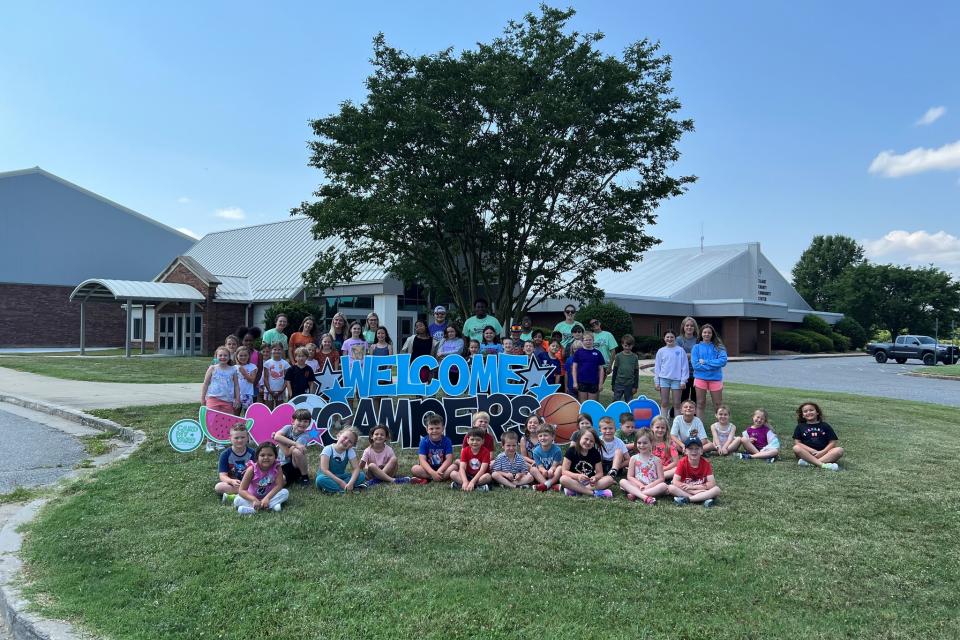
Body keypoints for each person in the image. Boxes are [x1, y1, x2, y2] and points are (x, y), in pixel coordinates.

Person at [559, 427, 615, 498]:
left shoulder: (595, 453)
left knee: (609, 479)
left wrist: (595, 477)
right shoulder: (571, 451)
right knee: (563, 479)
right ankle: (594, 493)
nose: (588, 442)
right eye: (586, 439)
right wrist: (577, 476)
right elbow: (564, 471)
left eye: (591, 441)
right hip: (574, 480)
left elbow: (600, 473)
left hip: (589, 483)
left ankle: (575, 491)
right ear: (579, 438)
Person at [235, 442, 288, 515]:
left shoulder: (277, 467)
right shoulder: (251, 469)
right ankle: (271, 506)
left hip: (270, 496)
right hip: (252, 498)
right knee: (237, 500)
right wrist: (254, 499)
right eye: (262, 455)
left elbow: (279, 485)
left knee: (285, 492)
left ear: (275, 457)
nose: (266, 457)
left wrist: (267, 498)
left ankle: (253, 509)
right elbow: (242, 490)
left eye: (270, 455)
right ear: (257, 457)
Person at [619, 428, 668, 504]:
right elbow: (630, 476)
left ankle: (635, 494)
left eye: (645, 443)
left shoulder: (657, 460)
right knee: (622, 482)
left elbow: (661, 478)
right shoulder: (633, 458)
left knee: (664, 486)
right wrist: (640, 485)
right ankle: (645, 497)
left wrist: (649, 486)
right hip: (637, 485)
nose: (642, 445)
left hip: (652, 486)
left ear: (652, 443)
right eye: (639, 443)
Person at [668, 437, 721, 506]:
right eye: (690, 448)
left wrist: (693, 487)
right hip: (690, 490)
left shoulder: (706, 463)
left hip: (697, 488)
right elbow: (675, 481)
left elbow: (712, 484)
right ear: (685, 451)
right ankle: (702, 498)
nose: (694, 451)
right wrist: (694, 491)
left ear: (701, 451)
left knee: (717, 490)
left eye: (697, 448)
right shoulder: (682, 462)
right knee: (671, 488)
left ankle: (688, 499)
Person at [793, 402, 844, 470]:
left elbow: (833, 442)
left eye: (811, 410)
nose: (808, 412)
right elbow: (798, 443)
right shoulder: (800, 427)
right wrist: (813, 451)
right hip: (806, 453)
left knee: (839, 450)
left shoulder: (825, 426)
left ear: (817, 412)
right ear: (803, 415)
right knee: (796, 448)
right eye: (805, 411)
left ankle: (810, 463)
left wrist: (822, 452)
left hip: (824, 453)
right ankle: (822, 465)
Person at [691, 323, 728, 419]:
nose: (707, 334)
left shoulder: (719, 347)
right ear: (701, 334)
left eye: (709, 333)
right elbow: (696, 365)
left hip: (715, 379)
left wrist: (705, 362)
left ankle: (720, 426)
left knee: (717, 404)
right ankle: (700, 427)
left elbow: (723, 361)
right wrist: (713, 365)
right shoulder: (696, 347)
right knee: (700, 403)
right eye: (704, 332)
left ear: (712, 334)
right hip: (700, 378)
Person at [316, 427, 366, 492]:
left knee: (361, 475)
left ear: (351, 445)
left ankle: (338, 488)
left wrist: (351, 482)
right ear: (338, 436)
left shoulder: (350, 451)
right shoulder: (328, 449)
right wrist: (341, 482)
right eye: (345, 437)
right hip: (327, 476)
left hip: (341, 476)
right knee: (320, 479)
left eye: (350, 441)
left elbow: (356, 468)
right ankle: (345, 490)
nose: (346, 441)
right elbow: (325, 470)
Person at [214, 424, 255, 502]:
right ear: (230, 439)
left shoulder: (252, 453)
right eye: (236, 438)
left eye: (243, 437)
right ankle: (246, 494)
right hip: (234, 484)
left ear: (248, 438)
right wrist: (231, 481)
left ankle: (235, 496)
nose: (240, 440)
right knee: (218, 487)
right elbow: (222, 476)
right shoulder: (225, 454)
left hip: (249, 482)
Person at [654, 330, 690, 418]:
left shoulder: (680, 350)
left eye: (671, 337)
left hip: (677, 381)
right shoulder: (661, 351)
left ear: (675, 338)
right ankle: (663, 422)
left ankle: (676, 425)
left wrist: (683, 381)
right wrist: (657, 382)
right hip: (664, 380)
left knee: (677, 404)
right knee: (664, 403)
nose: (669, 339)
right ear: (664, 338)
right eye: (667, 337)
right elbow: (657, 367)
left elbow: (685, 367)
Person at [411, 414, 455, 484]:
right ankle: (437, 477)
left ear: (443, 428)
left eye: (437, 428)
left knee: (454, 467)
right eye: (431, 428)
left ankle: (432, 478)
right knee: (415, 469)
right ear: (427, 429)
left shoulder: (447, 441)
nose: (434, 431)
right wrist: (432, 473)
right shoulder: (424, 441)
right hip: (428, 469)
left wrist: (439, 470)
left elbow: (449, 459)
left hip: (443, 469)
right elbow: (422, 460)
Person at [273, 408, 313, 486]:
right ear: (293, 421)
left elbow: (287, 453)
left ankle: (304, 477)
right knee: (272, 480)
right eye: (300, 420)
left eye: (305, 421)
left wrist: (279, 441)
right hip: (280, 463)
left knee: (297, 451)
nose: (302, 423)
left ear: (309, 424)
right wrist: (296, 444)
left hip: (293, 465)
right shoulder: (288, 428)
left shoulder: (305, 436)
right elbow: (277, 436)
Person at [201, 346, 240, 420]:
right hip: (213, 399)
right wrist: (203, 398)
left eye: (225, 355)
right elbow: (205, 384)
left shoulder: (233, 369)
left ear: (229, 357)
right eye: (220, 355)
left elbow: (236, 386)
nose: (223, 357)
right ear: (216, 356)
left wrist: (237, 399)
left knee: (227, 421)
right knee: (211, 421)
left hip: (227, 401)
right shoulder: (212, 368)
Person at [450, 428, 492, 492]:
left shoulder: (486, 452)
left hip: (480, 476)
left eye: (478, 440)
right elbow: (462, 468)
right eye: (472, 439)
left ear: (483, 441)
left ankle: (463, 486)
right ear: (467, 440)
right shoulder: (465, 450)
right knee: (453, 474)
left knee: (488, 477)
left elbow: (482, 470)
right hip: (468, 475)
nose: (475, 442)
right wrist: (464, 481)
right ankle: (477, 487)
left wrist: (472, 482)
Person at [571, 332, 605, 402]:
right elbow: (574, 368)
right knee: (583, 404)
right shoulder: (578, 352)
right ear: (582, 341)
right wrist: (575, 382)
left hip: (594, 382)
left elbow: (601, 369)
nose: (588, 341)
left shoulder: (598, 353)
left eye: (590, 340)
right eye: (586, 340)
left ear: (593, 340)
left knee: (591, 404)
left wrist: (600, 383)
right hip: (582, 382)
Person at [530, 423, 564, 491]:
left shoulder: (557, 450)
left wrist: (551, 470)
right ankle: (550, 486)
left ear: (553, 437)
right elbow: (540, 466)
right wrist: (543, 471)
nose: (543, 438)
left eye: (545, 435)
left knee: (560, 468)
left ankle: (547, 484)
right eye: (540, 436)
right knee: (532, 469)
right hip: (542, 475)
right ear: (538, 438)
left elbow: (555, 465)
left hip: (553, 475)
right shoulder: (536, 451)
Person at [675, 316, 699, 408]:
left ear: (694, 327)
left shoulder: (698, 339)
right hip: (682, 374)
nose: (689, 327)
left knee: (695, 398)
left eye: (692, 326)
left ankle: (694, 418)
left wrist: (686, 355)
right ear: (683, 327)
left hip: (696, 373)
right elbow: (678, 355)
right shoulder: (678, 340)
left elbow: (701, 355)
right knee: (682, 397)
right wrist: (694, 356)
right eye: (687, 325)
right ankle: (675, 414)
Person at [610, 334, 640, 402]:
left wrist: (635, 386)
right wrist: (613, 384)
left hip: (629, 384)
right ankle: (615, 412)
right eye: (625, 345)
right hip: (618, 383)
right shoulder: (618, 356)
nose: (627, 347)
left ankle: (627, 413)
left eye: (629, 346)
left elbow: (636, 372)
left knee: (629, 402)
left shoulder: (635, 357)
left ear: (632, 345)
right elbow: (615, 371)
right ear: (622, 345)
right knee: (615, 401)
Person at [650, 415, 679, 481]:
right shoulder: (648, 441)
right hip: (651, 468)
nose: (660, 430)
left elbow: (676, 462)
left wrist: (663, 469)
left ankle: (654, 478)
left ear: (666, 429)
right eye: (657, 427)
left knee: (678, 469)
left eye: (663, 428)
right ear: (652, 427)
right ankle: (656, 477)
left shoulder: (670, 443)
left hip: (666, 469)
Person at [261, 343, 290, 408]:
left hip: (280, 390)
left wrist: (282, 390)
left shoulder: (285, 363)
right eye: (275, 349)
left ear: (282, 350)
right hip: (269, 391)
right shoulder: (267, 363)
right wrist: (269, 390)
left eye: (279, 349)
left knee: (279, 409)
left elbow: (286, 378)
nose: (277, 351)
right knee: (269, 409)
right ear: (271, 350)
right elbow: (265, 377)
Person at [235, 346, 258, 413]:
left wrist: (244, 372)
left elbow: (252, 380)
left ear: (249, 356)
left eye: (245, 355)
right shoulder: (234, 367)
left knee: (247, 414)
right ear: (237, 356)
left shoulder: (253, 367)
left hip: (247, 394)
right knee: (236, 413)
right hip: (236, 394)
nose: (243, 357)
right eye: (241, 355)